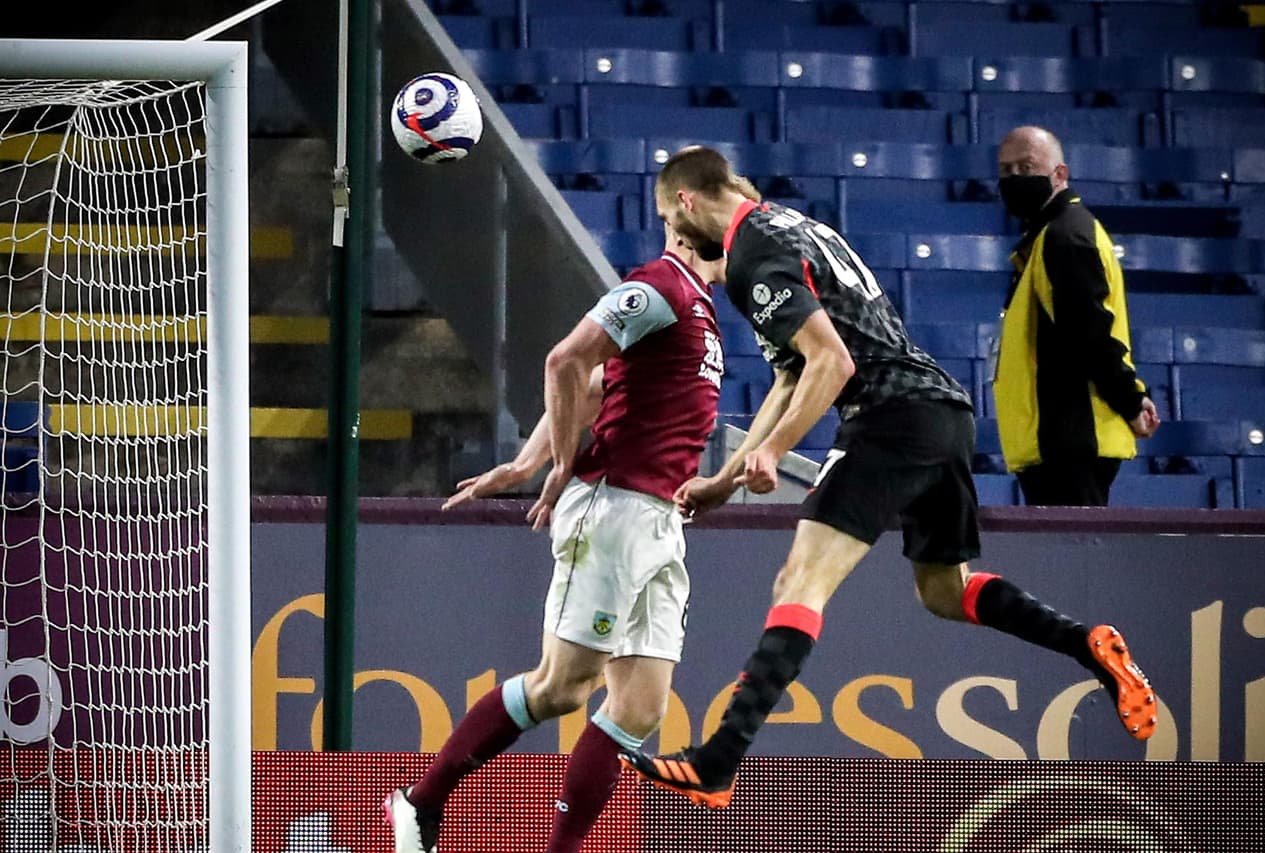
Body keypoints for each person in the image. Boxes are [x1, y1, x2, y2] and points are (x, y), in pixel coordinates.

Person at [620, 146, 1158, 809]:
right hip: (941, 412)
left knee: (800, 580)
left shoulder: (753, 253)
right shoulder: (795, 225)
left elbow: (832, 363)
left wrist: (774, 451)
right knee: (944, 589)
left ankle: (718, 760)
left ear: (686, 201)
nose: (675, 239)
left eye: (669, 221)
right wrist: (730, 475)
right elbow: (792, 373)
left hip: (889, 416)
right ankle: (1087, 643)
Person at [383, 224, 728, 853]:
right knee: (561, 687)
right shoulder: (659, 288)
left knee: (641, 708)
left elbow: (597, 390)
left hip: (660, 521)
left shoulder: (702, 311)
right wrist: (548, 464)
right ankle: (418, 803)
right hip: (613, 508)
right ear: (692, 216)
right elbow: (567, 361)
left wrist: (527, 461)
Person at [993, 125, 1160, 506]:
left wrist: (1131, 401)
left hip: (1070, 440)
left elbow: (1090, 333)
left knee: (1073, 557)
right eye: (1006, 171)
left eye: (1027, 167)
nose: (1016, 179)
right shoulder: (1048, 235)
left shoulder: (1065, 237)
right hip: (1058, 441)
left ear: (1060, 174)